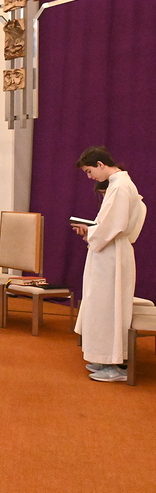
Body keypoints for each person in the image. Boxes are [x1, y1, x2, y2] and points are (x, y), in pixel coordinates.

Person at [71, 147, 147, 382]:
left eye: (89, 171)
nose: (89, 176)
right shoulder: (117, 184)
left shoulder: (121, 185)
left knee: (110, 307)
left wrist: (92, 233)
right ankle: (106, 357)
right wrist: (92, 231)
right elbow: (111, 224)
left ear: (101, 164)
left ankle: (116, 364)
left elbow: (116, 225)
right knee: (102, 306)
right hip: (108, 252)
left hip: (113, 254)